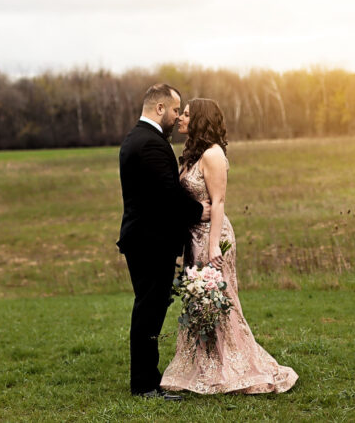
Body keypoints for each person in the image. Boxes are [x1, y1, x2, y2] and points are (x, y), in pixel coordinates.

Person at [160, 98, 298, 394]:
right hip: (193, 236)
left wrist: (213, 248)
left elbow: (219, 202)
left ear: (200, 120)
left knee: (219, 301)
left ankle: (232, 365)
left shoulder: (213, 154)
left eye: (186, 114)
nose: (181, 118)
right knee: (199, 301)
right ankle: (202, 365)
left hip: (213, 236)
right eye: (181, 113)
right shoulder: (192, 154)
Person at [117, 83, 210, 401]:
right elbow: (168, 195)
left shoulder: (137, 138)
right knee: (148, 311)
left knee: (151, 309)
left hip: (144, 239)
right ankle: (143, 385)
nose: (176, 117)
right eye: (174, 110)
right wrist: (201, 210)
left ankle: (148, 379)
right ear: (159, 109)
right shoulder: (150, 144)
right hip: (149, 241)